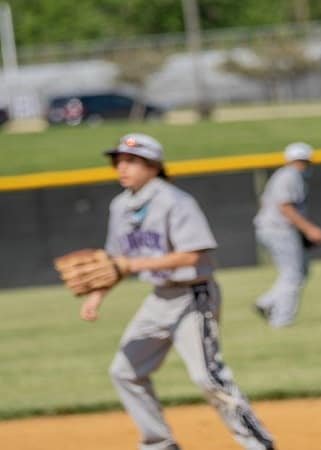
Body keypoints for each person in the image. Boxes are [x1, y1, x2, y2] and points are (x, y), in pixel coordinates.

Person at [79, 133, 276, 450]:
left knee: (207, 377)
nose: (122, 168)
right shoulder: (120, 206)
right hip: (159, 298)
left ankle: (258, 443)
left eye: (131, 161)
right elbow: (116, 262)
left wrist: (131, 265)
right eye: (118, 161)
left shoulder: (175, 201)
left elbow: (194, 255)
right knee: (124, 371)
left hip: (193, 294)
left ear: (154, 166)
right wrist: (96, 296)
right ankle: (159, 444)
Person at [252, 142, 321, 328]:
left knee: (299, 271)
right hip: (280, 230)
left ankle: (267, 302)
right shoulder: (290, 176)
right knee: (293, 274)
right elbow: (285, 207)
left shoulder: (284, 175)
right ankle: (281, 320)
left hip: (274, 228)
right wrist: (309, 229)